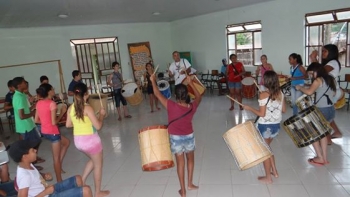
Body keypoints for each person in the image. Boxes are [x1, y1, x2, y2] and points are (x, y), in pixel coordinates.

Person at [150, 73, 202, 197]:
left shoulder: (171, 105)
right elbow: (199, 96)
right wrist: (191, 83)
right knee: (190, 159)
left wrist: (153, 80)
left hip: (175, 138)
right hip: (189, 136)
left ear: (175, 95)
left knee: (180, 163)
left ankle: (183, 191)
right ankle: (190, 183)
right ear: (187, 94)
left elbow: (157, 94)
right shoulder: (191, 107)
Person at [66, 83, 110, 197]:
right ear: (86, 94)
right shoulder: (88, 108)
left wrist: (81, 123)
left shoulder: (71, 107)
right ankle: (98, 192)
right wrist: (101, 115)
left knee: (94, 159)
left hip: (78, 142)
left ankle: (82, 181)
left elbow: (68, 125)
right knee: (98, 165)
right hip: (91, 141)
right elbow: (99, 126)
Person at [8, 140, 93, 197]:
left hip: (48, 190)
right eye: (32, 150)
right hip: (47, 194)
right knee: (86, 190)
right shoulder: (24, 176)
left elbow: (33, 178)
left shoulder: (27, 164)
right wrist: (45, 192)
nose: (35, 151)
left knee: (78, 179)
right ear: (25, 157)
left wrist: (44, 176)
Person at [243, 71, 286, 183]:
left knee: (265, 152)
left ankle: (268, 177)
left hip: (265, 127)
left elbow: (262, 114)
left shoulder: (263, 95)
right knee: (267, 148)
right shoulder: (280, 93)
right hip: (276, 127)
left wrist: (249, 108)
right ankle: (274, 171)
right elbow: (284, 110)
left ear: (266, 81)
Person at [11, 77, 52, 181]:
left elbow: (25, 110)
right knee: (28, 148)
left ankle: (33, 161)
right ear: (20, 85)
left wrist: (33, 107)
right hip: (25, 126)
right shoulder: (19, 97)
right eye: (24, 82)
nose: (26, 83)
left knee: (37, 141)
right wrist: (33, 113)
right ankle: (31, 164)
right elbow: (21, 115)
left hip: (29, 124)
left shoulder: (21, 95)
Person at [296, 65, 336, 165]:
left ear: (316, 71)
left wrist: (300, 87)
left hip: (322, 110)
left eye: (311, 73)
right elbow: (334, 93)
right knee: (322, 134)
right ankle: (324, 158)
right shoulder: (331, 79)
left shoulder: (318, 80)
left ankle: (319, 156)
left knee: (313, 134)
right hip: (331, 109)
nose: (311, 76)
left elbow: (309, 92)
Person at [35, 83, 70, 182]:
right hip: (53, 132)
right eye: (52, 89)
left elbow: (36, 120)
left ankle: (60, 165)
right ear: (49, 91)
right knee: (56, 158)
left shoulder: (39, 103)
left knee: (66, 143)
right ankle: (59, 181)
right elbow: (54, 122)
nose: (54, 90)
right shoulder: (51, 103)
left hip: (44, 131)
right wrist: (63, 112)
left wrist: (46, 122)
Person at [310, 44, 343, 139]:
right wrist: (313, 59)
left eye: (325, 51)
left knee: (324, 114)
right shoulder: (329, 63)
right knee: (327, 114)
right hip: (329, 91)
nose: (322, 53)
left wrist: (314, 59)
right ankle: (336, 132)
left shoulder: (333, 62)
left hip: (331, 91)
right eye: (322, 51)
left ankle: (327, 139)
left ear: (331, 53)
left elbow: (320, 72)